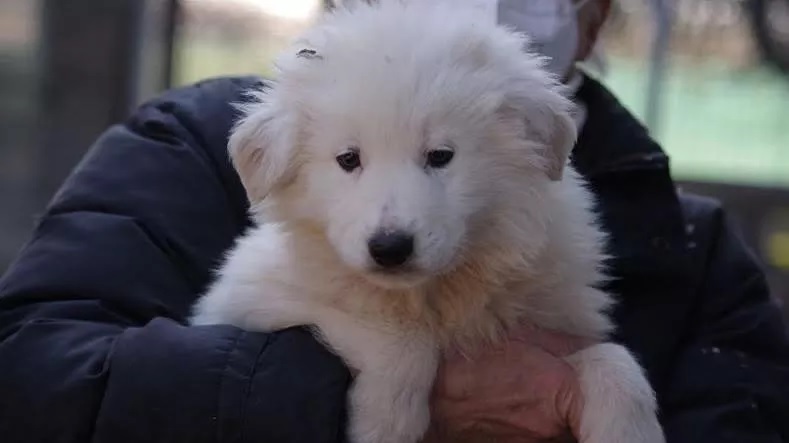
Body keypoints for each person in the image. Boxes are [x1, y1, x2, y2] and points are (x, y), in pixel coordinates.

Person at [0, 0, 787, 442]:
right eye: (349, 162)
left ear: (595, 17)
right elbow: (32, 375)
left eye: (439, 156)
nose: (391, 219)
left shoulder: (699, 253)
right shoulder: (199, 146)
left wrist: (587, 391)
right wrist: (367, 385)